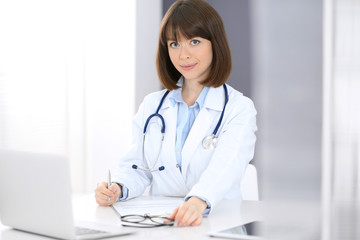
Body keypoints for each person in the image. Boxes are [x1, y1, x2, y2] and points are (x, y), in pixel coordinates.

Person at [95, 0, 257, 227]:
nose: (183, 55)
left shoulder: (238, 108)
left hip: (217, 225)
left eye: (194, 41)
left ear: (215, 44)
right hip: (161, 224)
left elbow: (227, 167)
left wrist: (198, 201)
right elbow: (138, 168)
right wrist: (117, 188)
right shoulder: (152, 105)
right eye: (174, 44)